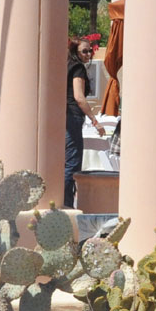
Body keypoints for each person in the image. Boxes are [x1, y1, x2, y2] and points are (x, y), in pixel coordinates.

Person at [65, 38, 103, 207]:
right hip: (72, 116)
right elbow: (79, 97)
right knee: (72, 163)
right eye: (84, 51)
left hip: (62, 117)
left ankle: (62, 201)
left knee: (64, 161)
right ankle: (66, 204)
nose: (89, 54)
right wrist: (95, 120)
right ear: (76, 52)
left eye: (90, 51)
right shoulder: (78, 68)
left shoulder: (65, 65)